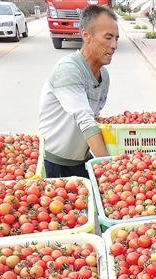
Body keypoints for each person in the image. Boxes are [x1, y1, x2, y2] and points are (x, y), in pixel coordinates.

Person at [38, 5, 118, 178]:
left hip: (81, 162)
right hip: (53, 163)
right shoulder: (68, 69)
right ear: (86, 36)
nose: (114, 45)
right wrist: (112, 170)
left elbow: (94, 118)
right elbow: (86, 120)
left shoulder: (104, 75)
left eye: (116, 39)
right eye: (108, 37)